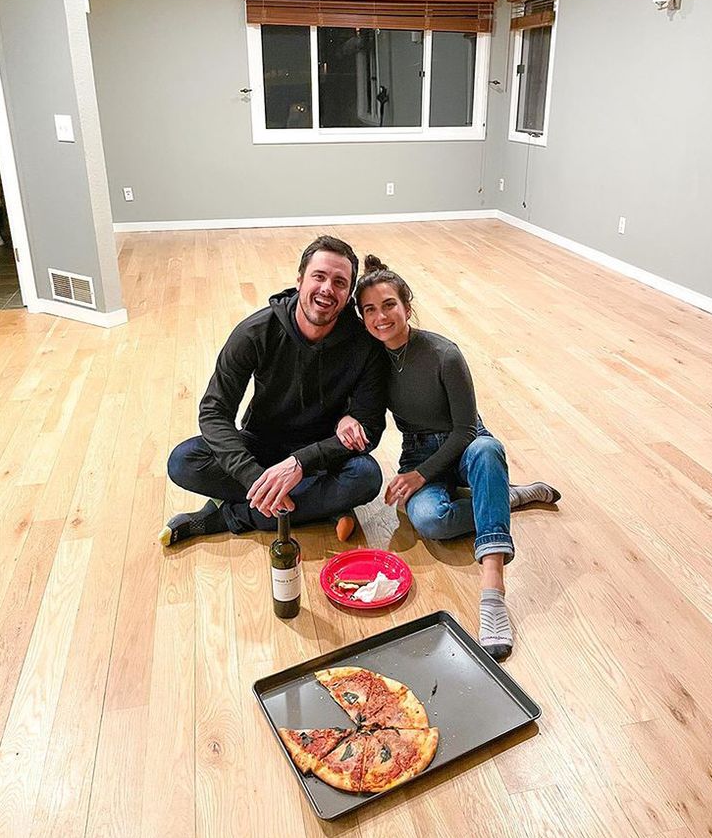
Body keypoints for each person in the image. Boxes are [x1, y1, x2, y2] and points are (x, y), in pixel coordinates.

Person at [336, 256, 560, 659]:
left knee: (489, 451)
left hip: (465, 442)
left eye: (389, 304)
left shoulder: (444, 354)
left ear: (406, 304)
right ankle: (500, 499)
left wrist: (420, 476)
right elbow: (363, 408)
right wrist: (350, 416)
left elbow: (466, 431)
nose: (381, 316)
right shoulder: (371, 362)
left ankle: (493, 595)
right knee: (428, 520)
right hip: (417, 448)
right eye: (369, 309)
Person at [159, 236, 387, 546]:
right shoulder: (254, 332)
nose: (327, 289)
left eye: (339, 282)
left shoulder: (365, 344)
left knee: (366, 476)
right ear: (299, 279)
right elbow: (214, 412)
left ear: (348, 295)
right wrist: (253, 476)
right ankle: (321, 506)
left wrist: (301, 463)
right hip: (262, 446)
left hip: (322, 454)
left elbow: (369, 428)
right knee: (183, 461)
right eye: (318, 277)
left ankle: (229, 516)